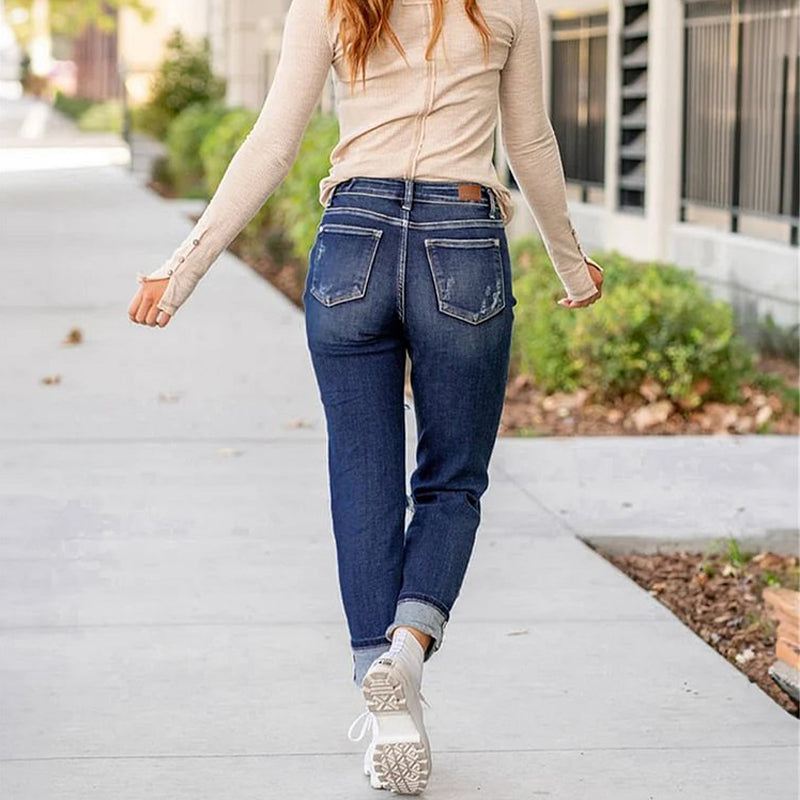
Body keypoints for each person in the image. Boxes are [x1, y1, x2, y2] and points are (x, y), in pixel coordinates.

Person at [128, 0, 604, 792]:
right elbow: (530, 142)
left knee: (362, 474)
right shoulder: (511, 6)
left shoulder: (327, 3)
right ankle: (408, 651)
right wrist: (569, 260)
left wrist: (181, 267)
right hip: (463, 238)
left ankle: (382, 695)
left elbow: (274, 144)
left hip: (353, 237)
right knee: (451, 480)